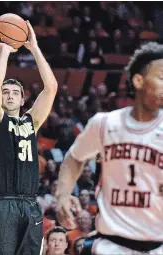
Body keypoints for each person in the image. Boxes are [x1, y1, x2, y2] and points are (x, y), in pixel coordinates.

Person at [56, 42, 163, 255]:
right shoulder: (104, 123)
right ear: (139, 80)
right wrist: (63, 194)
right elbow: (75, 158)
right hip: (110, 246)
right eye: (161, 77)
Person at [0, 21, 58, 255]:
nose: (10, 95)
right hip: (3, 204)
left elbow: (51, 87)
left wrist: (34, 48)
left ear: (23, 99)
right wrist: (5, 50)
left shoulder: (30, 123)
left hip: (31, 204)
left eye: (16, 92)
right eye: (6, 92)